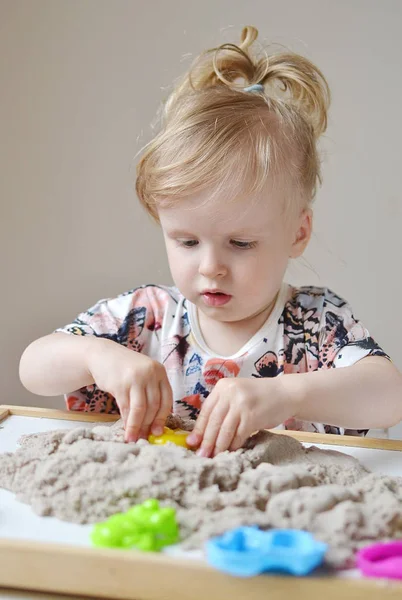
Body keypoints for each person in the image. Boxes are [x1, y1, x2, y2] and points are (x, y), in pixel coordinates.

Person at [19, 26, 402, 458]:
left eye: (240, 243)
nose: (210, 267)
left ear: (298, 232)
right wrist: (100, 359)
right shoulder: (149, 317)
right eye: (186, 241)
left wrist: (286, 395)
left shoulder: (314, 323)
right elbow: (33, 366)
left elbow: (388, 395)